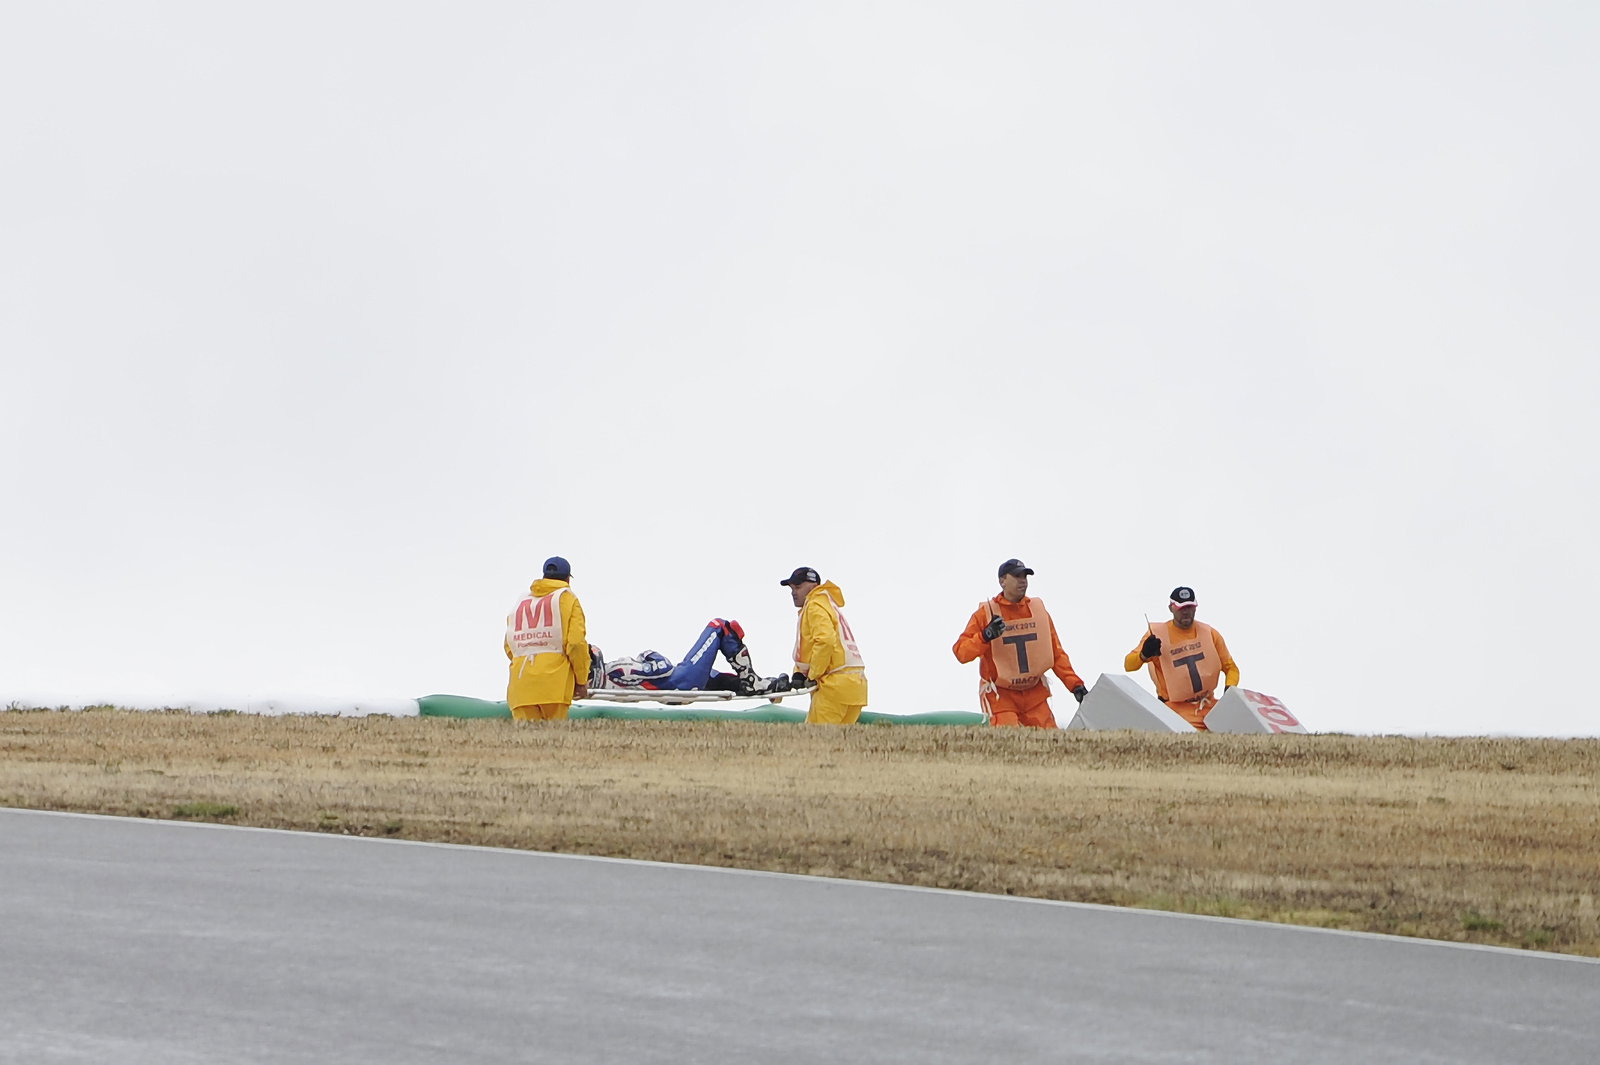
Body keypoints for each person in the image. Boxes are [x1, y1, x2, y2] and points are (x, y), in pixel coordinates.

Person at [952, 558, 1089, 728]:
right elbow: (961, 652)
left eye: (1025, 576)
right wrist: (985, 636)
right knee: (1009, 744)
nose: (1023, 580)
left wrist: (1075, 685)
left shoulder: (1038, 612)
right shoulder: (985, 614)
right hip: (1000, 697)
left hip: (1034, 696)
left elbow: (1055, 653)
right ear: (1002, 581)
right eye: (1017, 576)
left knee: (1052, 746)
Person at [1124, 585, 1240, 730]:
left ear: (1195, 607)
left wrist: (1230, 691)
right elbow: (1129, 665)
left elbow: (1231, 668)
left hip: (1209, 707)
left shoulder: (1210, 633)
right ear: (1171, 608)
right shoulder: (1156, 635)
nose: (1186, 612)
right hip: (1174, 711)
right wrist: (1144, 655)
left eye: (1189, 607)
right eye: (1181, 608)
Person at [590, 617, 791, 695]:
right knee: (719, 626)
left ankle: (760, 686)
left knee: (711, 674)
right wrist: (648, 654)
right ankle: (751, 682)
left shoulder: (600, 687)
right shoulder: (617, 670)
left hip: (675, 688)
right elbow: (663, 667)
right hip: (679, 682)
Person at [503, 556, 590, 721]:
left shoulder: (522, 602)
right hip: (554, 687)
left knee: (525, 743)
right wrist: (581, 680)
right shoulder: (568, 599)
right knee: (554, 742)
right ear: (567, 579)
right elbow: (576, 644)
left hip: (521, 687)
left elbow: (509, 646)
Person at [780, 566, 868, 725]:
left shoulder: (814, 606)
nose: (793, 592)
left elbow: (825, 641)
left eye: (798, 587)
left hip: (834, 687)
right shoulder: (829, 605)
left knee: (812, 743)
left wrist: (812, 675)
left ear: (814, 587)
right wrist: (799, 674)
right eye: (792, 588)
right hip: (856, 686)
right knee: (837, 746)